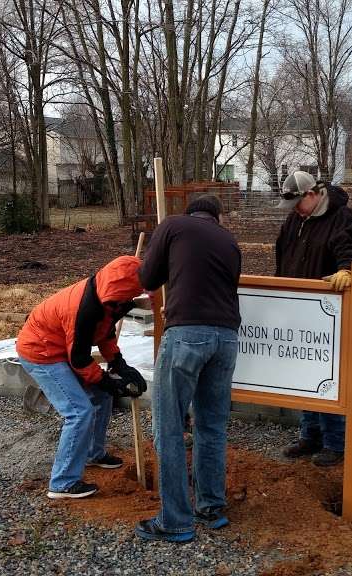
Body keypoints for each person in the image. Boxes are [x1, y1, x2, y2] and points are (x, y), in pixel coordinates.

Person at [135, 195, 241, 543]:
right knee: (211, 426)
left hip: (186, 337)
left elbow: (148, 277)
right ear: (217, 217)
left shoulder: (173, 226)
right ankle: (210, 507)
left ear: (190, 213)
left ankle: (175, 521)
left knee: (168, 427)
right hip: (226, 339)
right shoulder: (229, 241)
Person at [16, 256, 148, 500]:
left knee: (102, 396)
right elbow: (78, 359)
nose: (126, 303)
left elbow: (105, 334)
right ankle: (63, 482)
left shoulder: (107, 299)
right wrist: (107, 381)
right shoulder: (84, 308)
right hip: (41, 352)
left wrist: (120, 365)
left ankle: (92, 453)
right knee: (79, 412)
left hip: (60, 349)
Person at [276, 171, 352, 467]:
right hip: (297, 308)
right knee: (303, 375)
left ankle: (335, 442)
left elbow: (350, 250)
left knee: (328, 377)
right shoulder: (295, 221)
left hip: (326, 311)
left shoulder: (341, 217)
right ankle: (309, 435)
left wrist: (347, 270)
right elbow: (283, 258)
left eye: (298, 204)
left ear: (312, 195)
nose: (294, 212)